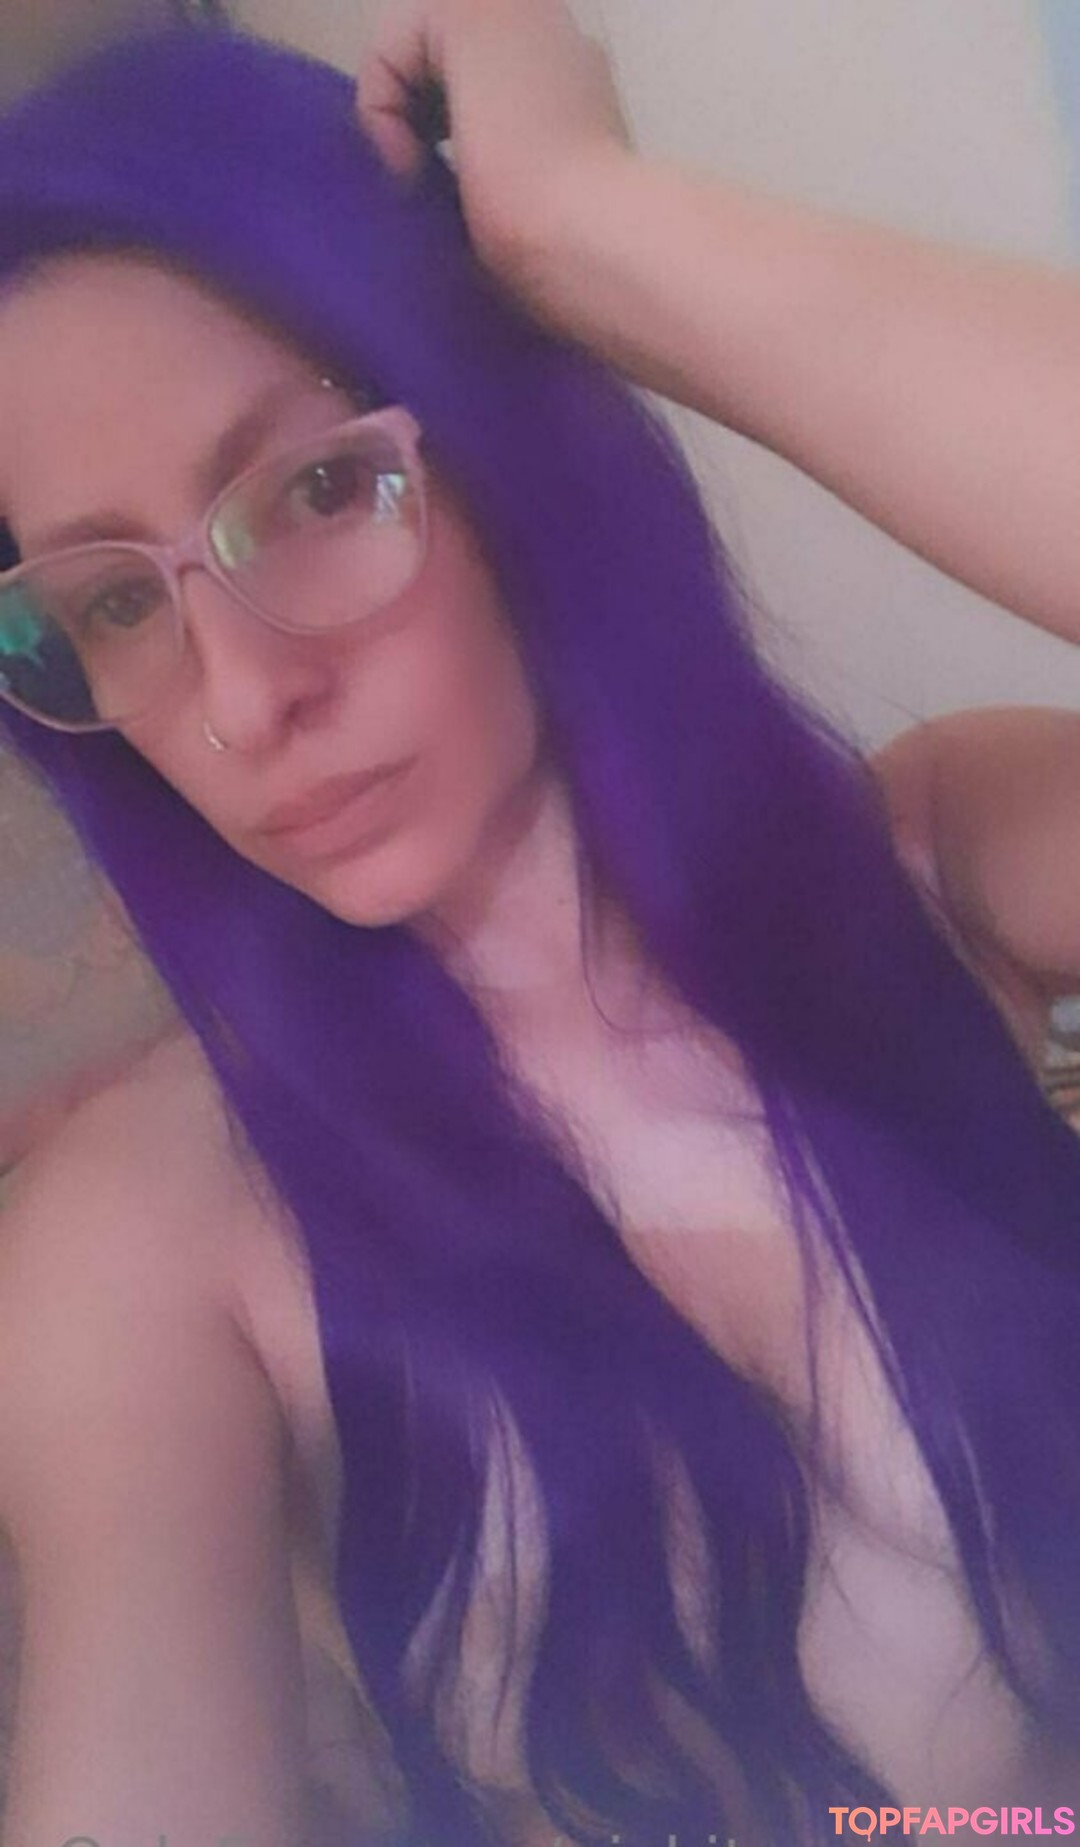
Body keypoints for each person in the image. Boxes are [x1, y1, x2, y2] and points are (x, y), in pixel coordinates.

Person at [0, 6, 1078, 1844]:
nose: (239, 701)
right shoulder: (148, 1245)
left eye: (317, 489)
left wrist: (592, 224)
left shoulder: (940, 856)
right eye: (110, 603)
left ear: (506, 448)